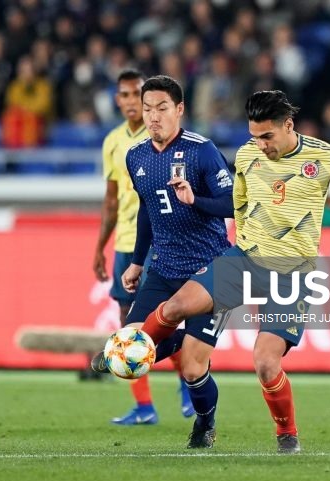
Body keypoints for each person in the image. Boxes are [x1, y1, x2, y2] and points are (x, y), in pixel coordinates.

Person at [136, 90, 330, 454]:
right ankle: (132, 352)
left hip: (291, 274)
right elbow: (237, 205)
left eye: (267, 136)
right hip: (243, 260)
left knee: (265, 362)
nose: (260, 144)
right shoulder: (248, 155)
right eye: (254, 136)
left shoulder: (323, 158)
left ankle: (287, 435)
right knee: (173, 308)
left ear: (288, 125)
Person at [91, 75, 235, 448]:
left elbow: (234, 203)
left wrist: (196, 201)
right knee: (128, 349)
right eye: (148, 109)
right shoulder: (135, 156)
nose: (154, 117)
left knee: (191, 367)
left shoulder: (201, 150)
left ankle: (205, 422)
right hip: (164, 268)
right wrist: (138, 262)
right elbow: (148, 210)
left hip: (212, 271)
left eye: (162, 108)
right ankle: (161, 342)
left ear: (179, 110)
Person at [91, 69, 194, 424]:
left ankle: (188, 385)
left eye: (137, 95)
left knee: (164, 320)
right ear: (118, 100)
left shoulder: (168, 141)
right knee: (127, 326)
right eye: (124, 95)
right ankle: (144, 407)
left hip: (161, 241)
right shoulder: (113, 143)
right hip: (125, 243)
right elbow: (111, 200)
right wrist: (99, 248)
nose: (131, 102)